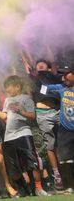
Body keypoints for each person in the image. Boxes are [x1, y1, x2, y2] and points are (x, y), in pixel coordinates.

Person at [0, 75, 49, 196]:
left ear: (17, 86)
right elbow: (4, 117)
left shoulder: (26, 99)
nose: (6, 89)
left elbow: (32, 115)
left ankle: (38, 188)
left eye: (8, 87)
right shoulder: (8, 100)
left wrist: (20, 111)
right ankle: (22, 189)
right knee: (12, 167)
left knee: (32, 163)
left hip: (24, 134)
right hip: (9, 137)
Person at [23, 57, 65, 191]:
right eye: (37, 64)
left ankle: (66, 173)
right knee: (50, 145)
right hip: (42, 113)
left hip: (57, 111)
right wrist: (24, 53)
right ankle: (57, 174)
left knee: (64, 144)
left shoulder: (53, 76)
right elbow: (27, 64)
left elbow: (53, 61)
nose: (40, 65)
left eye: (43, 64)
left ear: (48, 67)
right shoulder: (34, 78)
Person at [45, 70, 74, 193]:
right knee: (65, 160)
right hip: (65, 130)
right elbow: (42, 88)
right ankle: (70, 186)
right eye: (65, 79)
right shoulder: (61, 88)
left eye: (68, 79)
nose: (66, 80)